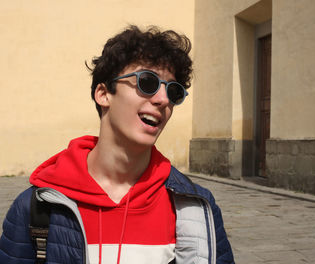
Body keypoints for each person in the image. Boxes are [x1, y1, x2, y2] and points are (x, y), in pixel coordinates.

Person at [0, 25, 234, 264]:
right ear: (103, 94)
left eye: (173, 92)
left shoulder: (196, 210)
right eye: (147, 82)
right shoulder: (36, 210)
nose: (163, 100)